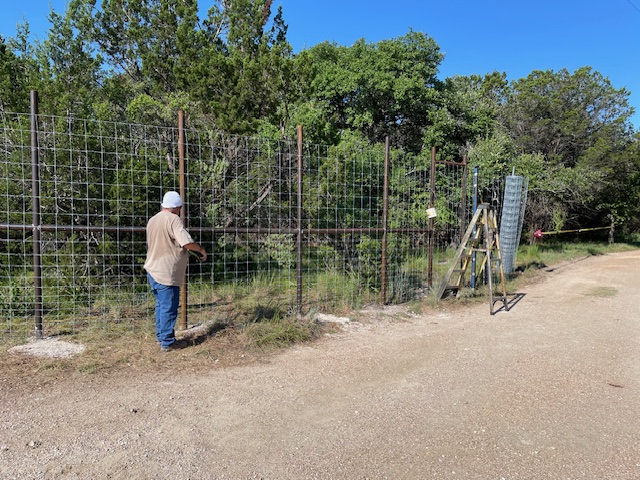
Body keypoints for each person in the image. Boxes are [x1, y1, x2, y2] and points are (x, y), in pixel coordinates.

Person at [144, 191, 207, 351]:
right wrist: (200, 250)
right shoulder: (173, 219)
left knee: (161, 305)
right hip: (167, 271)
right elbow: (186, 242)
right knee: (169, 307)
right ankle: (168, 342)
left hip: (152, 268)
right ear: (177, 208)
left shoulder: (153, 220)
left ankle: (161, 337)